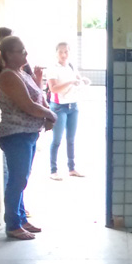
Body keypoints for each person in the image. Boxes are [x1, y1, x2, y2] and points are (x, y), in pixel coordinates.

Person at [0, 36, 56, 240]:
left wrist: (46, 112)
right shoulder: (8, 76)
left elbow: (38, 96)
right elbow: (27, 105)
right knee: (17, 180)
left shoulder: (22, 73)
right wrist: (50, 114)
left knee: (22, 179)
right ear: (9, 55)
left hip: (28, 134)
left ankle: (20, 218)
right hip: (15, 135)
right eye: (21, 51)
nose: (25, 54)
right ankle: (12, 225)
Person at [46, 42, 90, 180]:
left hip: (73, 106)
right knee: (57, 140)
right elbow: (53, 88)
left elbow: (77, 79)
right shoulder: (53, 68)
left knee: (71, 139)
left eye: (66, 52)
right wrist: (71, 82)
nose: (64, 55)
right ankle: (53, 171)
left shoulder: (71, 66)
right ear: (56, 53)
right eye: (61, 52)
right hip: (59, 107)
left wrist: (82, 80)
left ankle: (72, 168)